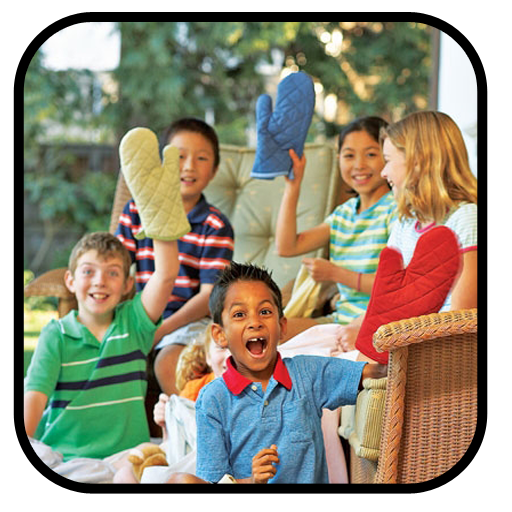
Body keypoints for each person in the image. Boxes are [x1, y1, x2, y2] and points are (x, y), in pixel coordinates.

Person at [167, 262, 386, 483]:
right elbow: (212, 484)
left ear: (282, 327)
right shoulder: (212, 399)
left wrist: (392, 330)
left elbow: (375, 372)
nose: (255, 322)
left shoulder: (308, 373)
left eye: (264, 312)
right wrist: (251, 481)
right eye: (240, 314)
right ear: (220, 335)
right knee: (180, 481)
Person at [24, 231, 180, 461]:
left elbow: (166, 274)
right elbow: (35, 396)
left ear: (127, 284)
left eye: (112, 273)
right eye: (88, 271)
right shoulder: (56, 335)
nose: (100, 281)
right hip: (67, 458)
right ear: (70, 281)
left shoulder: (135, 322)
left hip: (127, 459)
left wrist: (160, 219)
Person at [339, 110, 478, 361]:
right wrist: (355, 327)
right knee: (302, 354)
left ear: (418, 162)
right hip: (395, 342)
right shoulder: (406, 222)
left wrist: (375, 342)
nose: (383, 172)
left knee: (317, 373)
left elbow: (459, 320)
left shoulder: (466, 219)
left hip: (427, 354)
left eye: (388, 160)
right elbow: (387, 300)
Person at [115, 118, 234, 396]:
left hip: (190, 321)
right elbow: (116, 268)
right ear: (162, 163)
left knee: (169, 363)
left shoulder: (215, 225)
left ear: (214, 170)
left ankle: (188, 421)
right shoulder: (135, 211)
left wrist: (161, 330)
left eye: (201, 158)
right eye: (179, 156)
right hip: (143, 313)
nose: (189, 166)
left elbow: (209, 296)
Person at [275, 116, 397, 341]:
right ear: (339, 158)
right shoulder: (343, 214)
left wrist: (334, 273)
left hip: (372, 326)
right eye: (349, 156)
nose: (359, 165)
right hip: (338, 321)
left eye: (371, 154)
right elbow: (286, 246)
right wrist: (293, 186)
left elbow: (397, 287)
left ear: (389, 156)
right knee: (269, 332)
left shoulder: (395, 210)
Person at [113, 325, 231, 483]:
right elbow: (177, 442)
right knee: (124, 474)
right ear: (208, 356)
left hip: (215, 464)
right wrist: (166, 422)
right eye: (221, 348)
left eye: (237, 348)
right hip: (186, 457)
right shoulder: (195, 389)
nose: (229, 356)